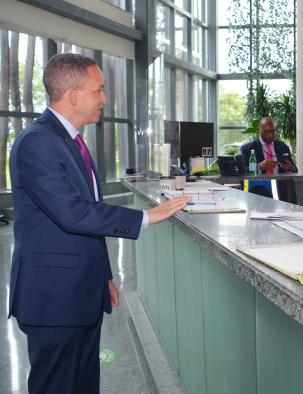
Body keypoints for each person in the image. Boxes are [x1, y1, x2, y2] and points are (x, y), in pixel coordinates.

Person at [8, 53, 190, 393]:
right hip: (54, 301)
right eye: (99, 90)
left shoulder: (72, 141)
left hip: (79, 293)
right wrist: (147, 217)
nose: (104, 99)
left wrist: (103, 275)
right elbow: (73, 213)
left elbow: (86, 217)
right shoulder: (37, 142)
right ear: (74, 95)